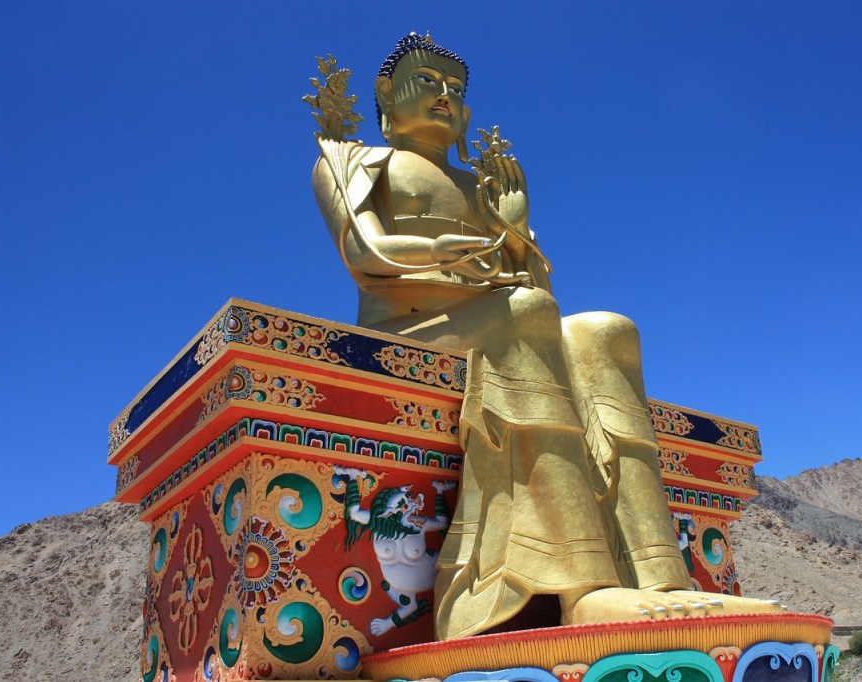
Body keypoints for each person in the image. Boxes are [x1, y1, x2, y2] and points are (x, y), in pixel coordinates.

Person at [312, 32, 783, 641]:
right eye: (428, 81)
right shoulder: (352, 160)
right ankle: (583, 585)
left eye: (458, 90)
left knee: (606, 332)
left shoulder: (478, 184)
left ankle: (661, 578)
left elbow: (532, 287)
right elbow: (363, 251)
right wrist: (440, 251)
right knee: (528, 313)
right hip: (411, 327)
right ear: (385, 92)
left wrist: (514, 232)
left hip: (500, 316)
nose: (446, 97)